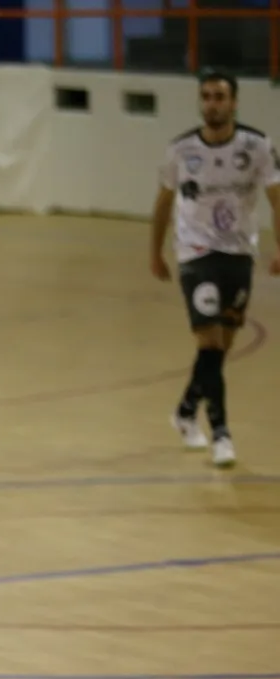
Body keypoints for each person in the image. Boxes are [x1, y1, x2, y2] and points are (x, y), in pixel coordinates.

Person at [151, 69, 280, 468]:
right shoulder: (180, 150)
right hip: (195, 252)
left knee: (221, 348)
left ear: (234, 101)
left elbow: (277, 198)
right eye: (205, 96)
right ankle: (220, 433)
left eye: (220, 96)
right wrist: (154, 251)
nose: (212, 103)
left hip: (240, 253)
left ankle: (186, 410)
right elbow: (163, 203)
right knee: (208, 342)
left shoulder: (258, 147)